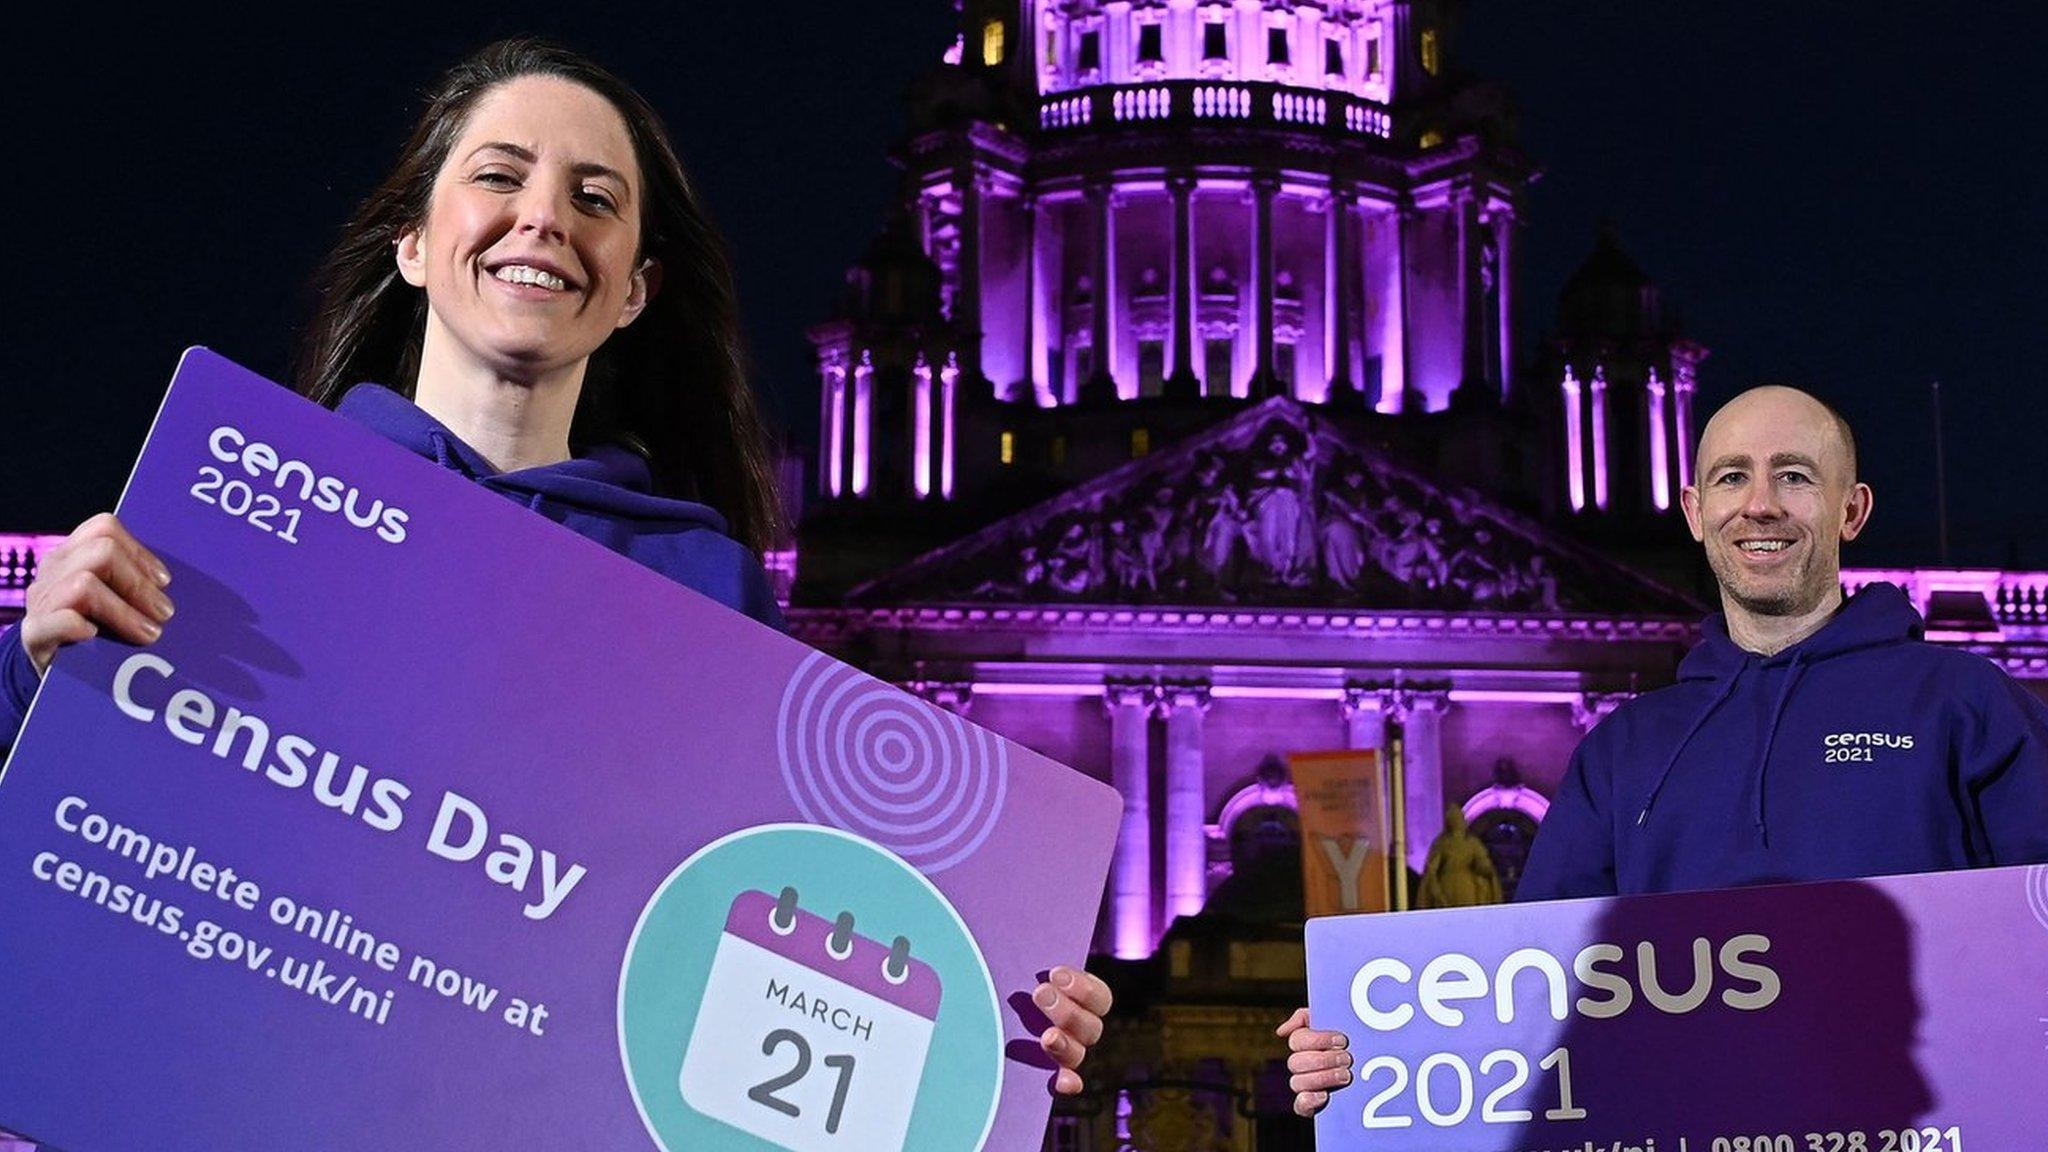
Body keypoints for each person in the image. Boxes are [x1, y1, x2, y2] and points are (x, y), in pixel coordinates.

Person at [0, 38, 1109, 1099]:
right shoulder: (236, 511)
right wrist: (35, 668)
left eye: (595, 198)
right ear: (413, 242)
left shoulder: (703, 583)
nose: (542, 218)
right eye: (498, 175)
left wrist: (993, 1011)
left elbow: (765, 920)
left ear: (634, 287)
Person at [1278, 384, 2048, 1114]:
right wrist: (1374, 1040)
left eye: (1794, 476)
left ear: (1852, 509)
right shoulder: (1624, 749)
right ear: (1694, 510)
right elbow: (1527, 985)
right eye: (1731, 478)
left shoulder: (1962, 701)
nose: (1760, 505)